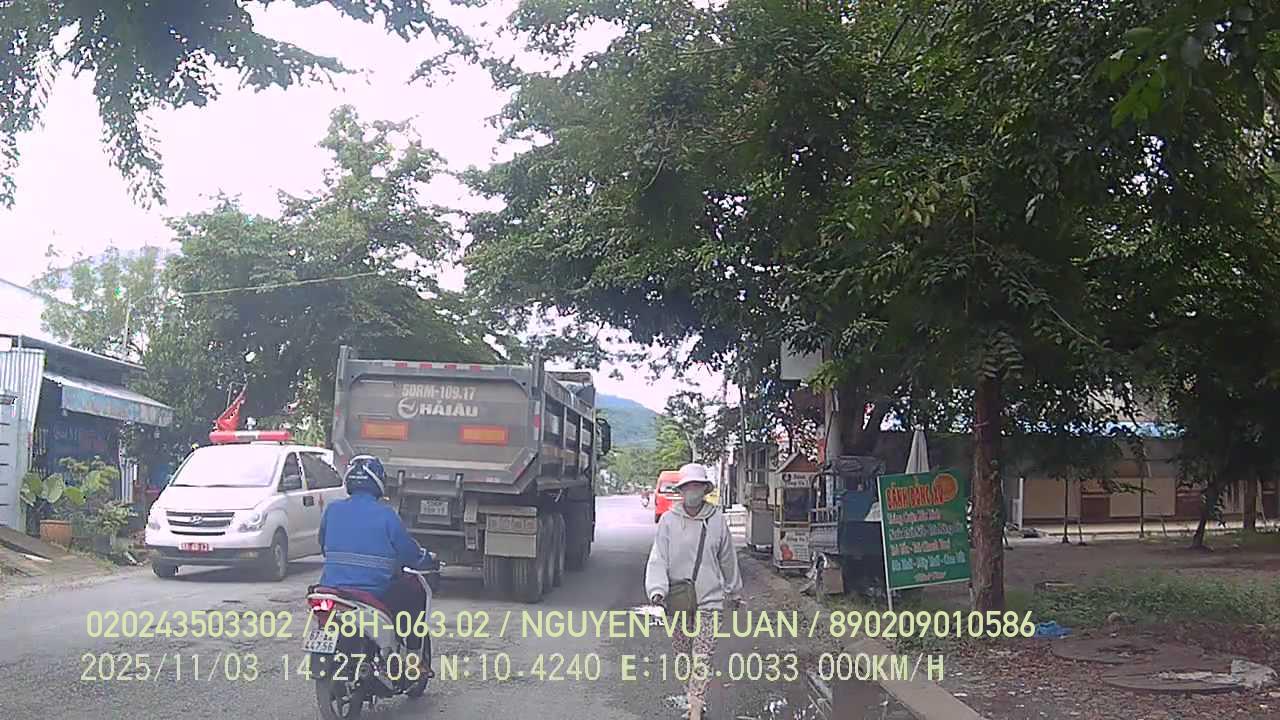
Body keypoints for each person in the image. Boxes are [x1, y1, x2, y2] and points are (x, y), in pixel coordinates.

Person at [645, 462, 743, 720]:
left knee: (703, 655)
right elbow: (658, 558)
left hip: (710, 600)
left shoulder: (717, 521)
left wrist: (734, 591)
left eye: (697, 486)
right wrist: (657, 590)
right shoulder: (668, 521)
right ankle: (692, 697)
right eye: (688, 486)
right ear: (681, 490)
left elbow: (728, 559)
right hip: (677, 599)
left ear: (704, 489)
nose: (692, 491)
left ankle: (696, 708)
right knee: (682, 653)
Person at [318, 455, 434, 651]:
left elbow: (323, 546)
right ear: (379, 482)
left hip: (331, 590)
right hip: (374, 593)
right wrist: (425, 559)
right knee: (414, 592)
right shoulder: (387, 515)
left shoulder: (332, 510)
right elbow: (409, 554)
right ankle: (413, 654)